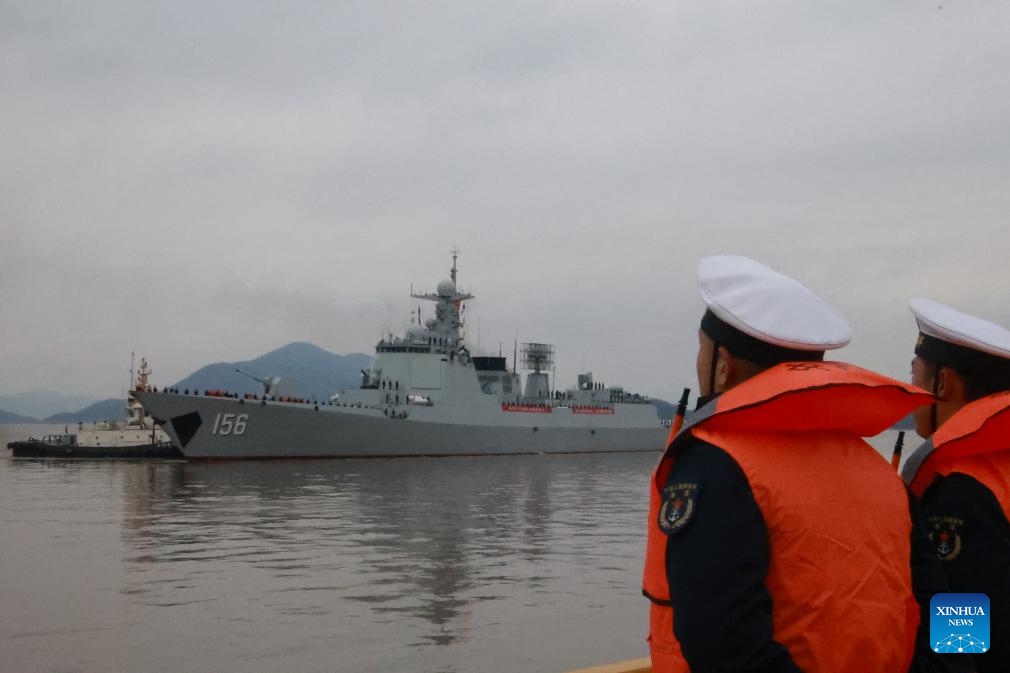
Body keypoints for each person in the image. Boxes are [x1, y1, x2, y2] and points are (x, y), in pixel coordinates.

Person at [642, 255, 957, 673]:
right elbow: (952, 601)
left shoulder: (716, 465)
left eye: (701, 350)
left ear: (722, 365)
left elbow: (724, 648)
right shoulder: (881, 473)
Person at [900, 298, 1010, 673]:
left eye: (915, 373)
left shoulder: (960, 489)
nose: (910, 387)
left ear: (942, 383)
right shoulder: (1000, 464)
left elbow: (965, 637)